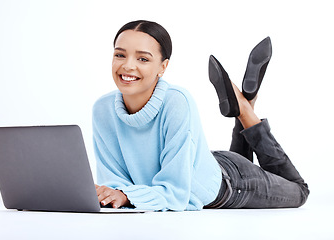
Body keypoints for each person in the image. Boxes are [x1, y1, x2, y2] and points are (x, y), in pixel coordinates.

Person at [92, 20, 309, 211]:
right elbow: (113, 180)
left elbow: (176, 192)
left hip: (230, 182)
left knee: (299, 191)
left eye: (143, 59)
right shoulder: (102, 108)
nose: (127, 65)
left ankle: (244, 110)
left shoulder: (177, 101)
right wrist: (109, 194)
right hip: (198, 161)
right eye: (120, 55)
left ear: (163, 67)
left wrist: (129, 196)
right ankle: (245, 105)